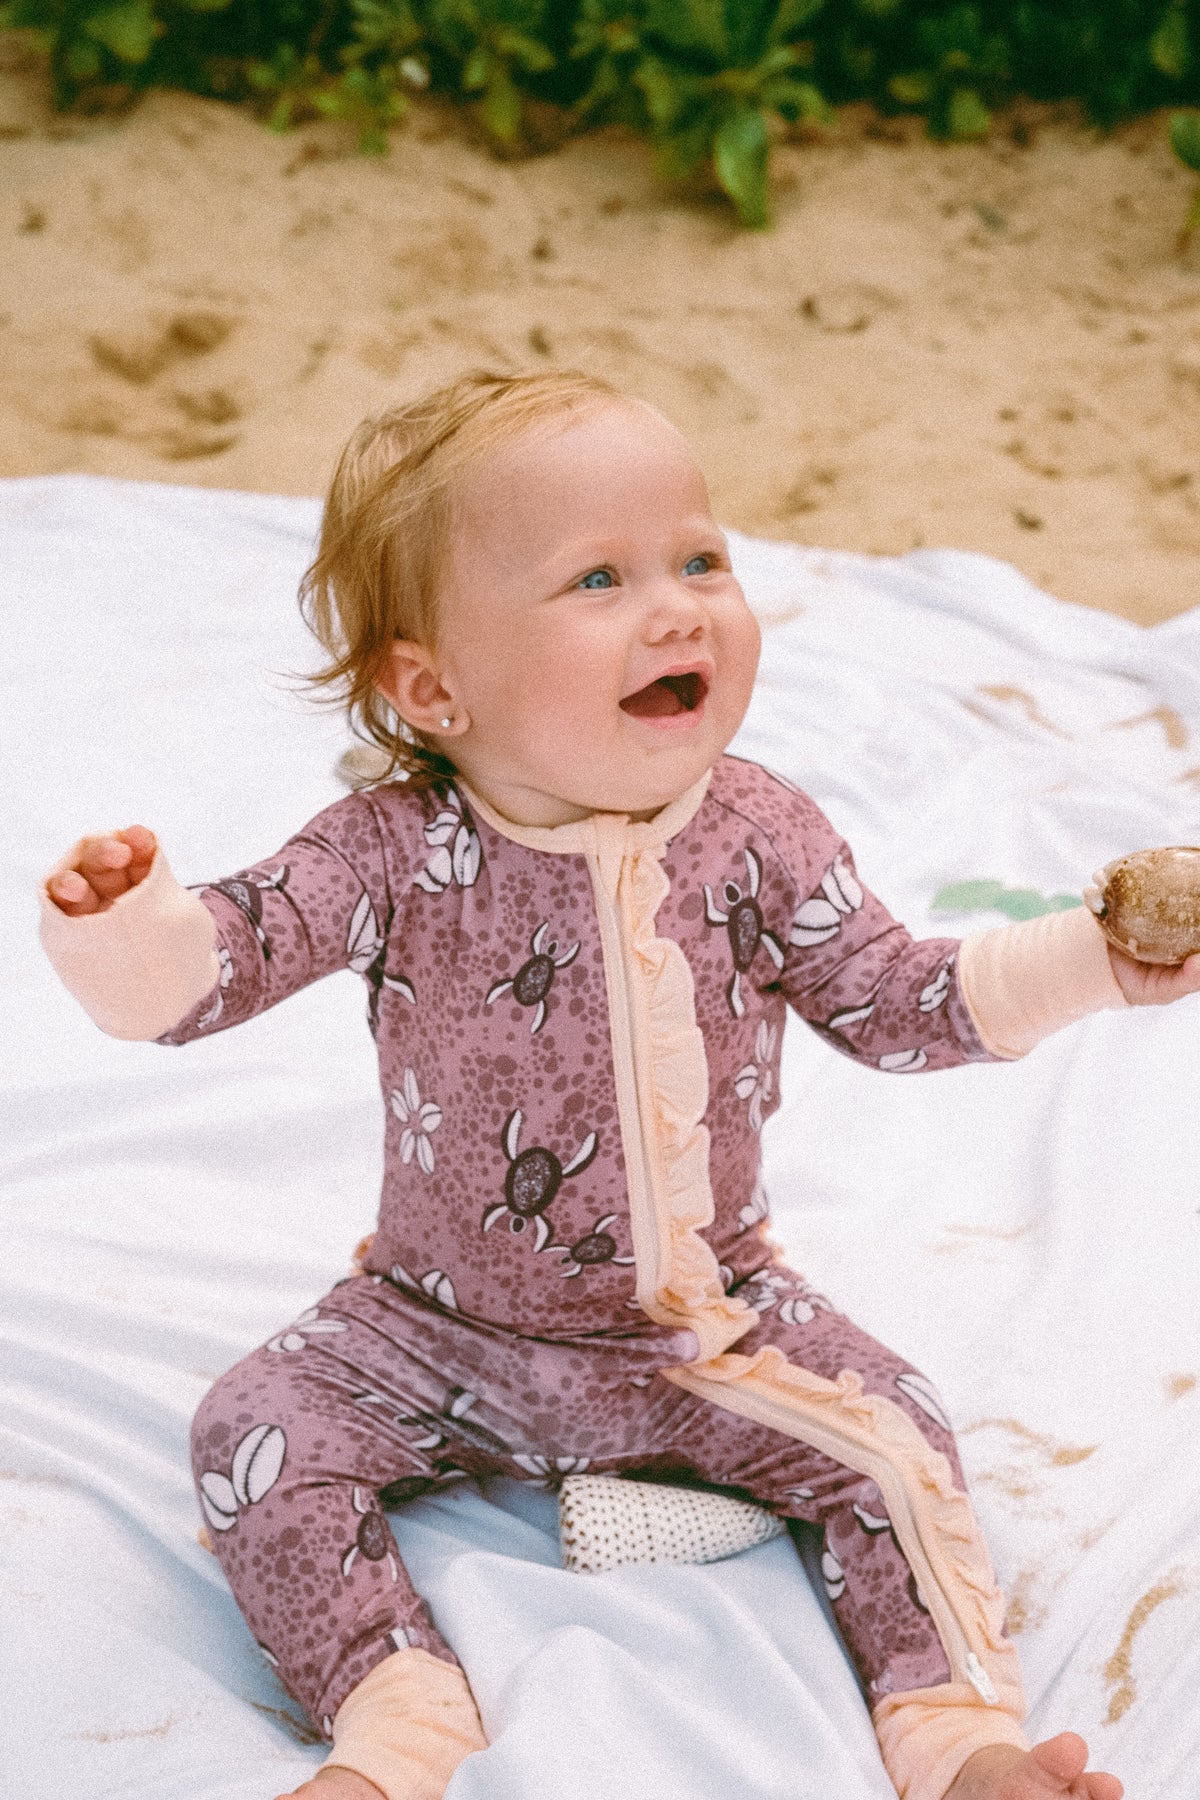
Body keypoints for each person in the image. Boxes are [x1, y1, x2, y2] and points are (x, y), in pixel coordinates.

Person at [41, 369, 1193, 1800]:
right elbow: (220, 966)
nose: (679, 609)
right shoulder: (393, 849)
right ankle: (396, 1720)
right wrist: (126, 932)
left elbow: (898, 1002)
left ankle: (959, 1740)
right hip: (430, 1328)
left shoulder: (758, 832)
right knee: (250, 1436)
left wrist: (1090, 957)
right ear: (433, 688)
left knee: (899, 1444)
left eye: (701, 559)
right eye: (600, 578)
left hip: (702, 1326)